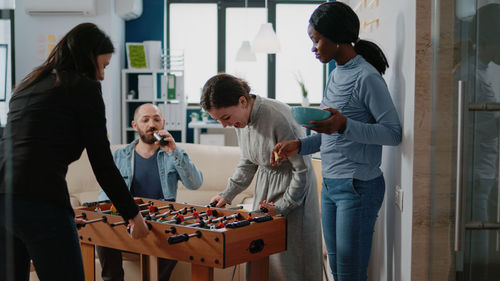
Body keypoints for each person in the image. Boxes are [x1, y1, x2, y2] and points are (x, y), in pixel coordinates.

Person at [0, 23, 150, 281]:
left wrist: (63, 218)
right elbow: (102, 162)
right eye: (102, 66)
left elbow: (29, 153)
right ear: (88, 57)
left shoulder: (28, 84)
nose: (102, 76)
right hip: (39, 202)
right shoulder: (85, 88)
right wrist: (133, 215)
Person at [271, 2, 402, 281]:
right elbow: (331, 133)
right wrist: (300, 145)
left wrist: (343, 124)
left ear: (337, 37)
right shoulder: (335, 75)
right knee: (337, 271)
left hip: (358, 187)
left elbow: (392, 133)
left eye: (316, 40)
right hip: (330, 185)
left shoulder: (366, 77)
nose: (314, 47)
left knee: (350, 275)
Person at [202, 73, 322, 281]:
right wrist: (227, 195)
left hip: (294, 193)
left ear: (242, 101)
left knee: (291, 266)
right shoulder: (242, 121)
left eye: (226, 118)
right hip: (265, 190)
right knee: (261, 260)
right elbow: (248, 161)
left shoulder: (279, 116)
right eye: (219, 120)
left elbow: (302, 171)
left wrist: (283, 206)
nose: (224, 125)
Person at [96, 103, 203, 281]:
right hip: (127, 220)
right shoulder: (119, 156)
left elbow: (195, 184)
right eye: (145, 120)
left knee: (179, 235)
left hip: (161, 223)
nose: (151, 124)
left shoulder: (174, 153)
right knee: (103, 230)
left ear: (163, 123)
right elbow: (105, 196)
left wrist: (174, 152)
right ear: (135, 125)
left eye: (156, 119)